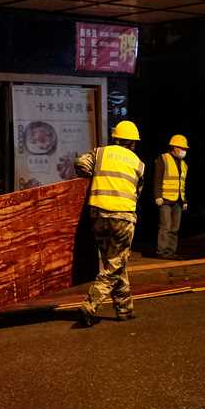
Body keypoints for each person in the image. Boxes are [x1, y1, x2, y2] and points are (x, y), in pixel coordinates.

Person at [75, 120, 146, 326]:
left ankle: (124, 308)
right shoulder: (138, 163)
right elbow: (137, 193)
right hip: (123, 217)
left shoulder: (100, 153)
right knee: (114, 264)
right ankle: (91, 303)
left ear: (115, 137)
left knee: (114, 261)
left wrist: (94, 176)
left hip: (98, 215)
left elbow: (80, 163)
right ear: (133, 143)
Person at [153, 134, 189, 259]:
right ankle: (161, 251)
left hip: (178, 200)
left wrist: (184, 200)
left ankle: (170, 251)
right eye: (182, 148)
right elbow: (157, 178)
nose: (184, 151)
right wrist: (157, 195)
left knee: (175, 228)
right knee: (165, 226)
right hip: (165, 199)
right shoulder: (163, 158)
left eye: (185, 149)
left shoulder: (184, 164)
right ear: (174, 147)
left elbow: (183, 184)